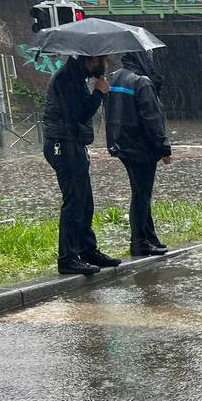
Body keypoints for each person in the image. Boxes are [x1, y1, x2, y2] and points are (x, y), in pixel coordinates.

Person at [42, 54, 119, 276]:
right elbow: (78, 113)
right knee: (74, 201)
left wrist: (96, 92)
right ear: (90, 60)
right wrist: (99, 93)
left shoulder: (76, 78)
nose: (104, 64)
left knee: (85, 201)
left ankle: (87, 250)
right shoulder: (66, 79)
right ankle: (67, 258)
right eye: (102, 60)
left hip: (73, 143)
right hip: (62, 144)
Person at [105, 50, 173, 257]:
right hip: (141, 147)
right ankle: (139, 242)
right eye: (149, 58)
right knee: (141, 195)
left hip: (121, 144)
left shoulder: (115, 78)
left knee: (140, 192)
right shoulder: (141, 82)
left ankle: (149, 237)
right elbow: (152, 119)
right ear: (143, 59)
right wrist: (164, 149)